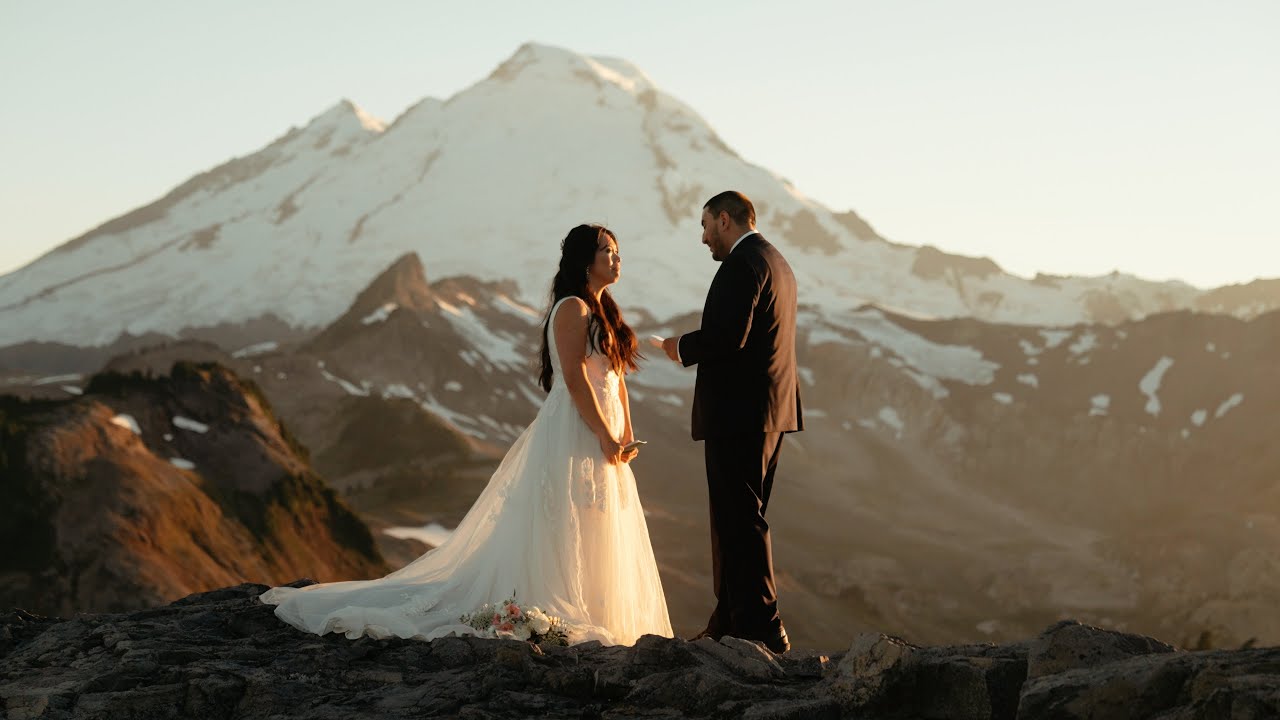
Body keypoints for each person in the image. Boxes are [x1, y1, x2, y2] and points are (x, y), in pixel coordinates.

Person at [262, 224, 672, 645]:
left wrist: (624, 433)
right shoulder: (573, 309)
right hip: (576, 426)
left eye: (617, 251)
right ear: (586, 260)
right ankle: (559, 604)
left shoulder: (605, 311)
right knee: (567, 515)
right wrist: (605, 432)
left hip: (604, 432)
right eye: (608, 251)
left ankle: (593, 604)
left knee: (595, 515)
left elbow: (615, 378)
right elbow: (574, 377)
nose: (616, 258)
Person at [661, 191, 802, 654]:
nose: (703, 238)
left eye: (705, 226)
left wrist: (678, 347)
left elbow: (728, 337)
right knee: (737, 518)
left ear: (725, 220)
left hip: (739, 414)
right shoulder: (777, 261)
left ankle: (764, 625)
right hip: (769, 412)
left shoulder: (742, 264)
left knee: (740, 520)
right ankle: (729, 619)